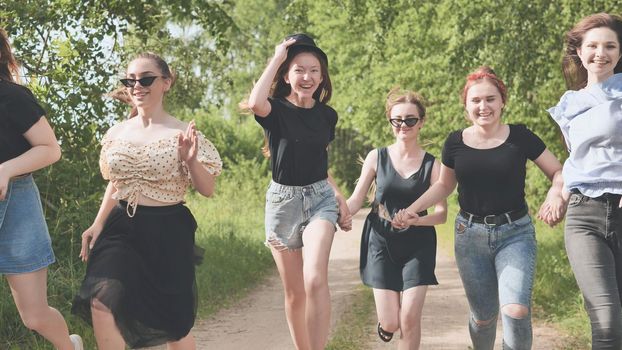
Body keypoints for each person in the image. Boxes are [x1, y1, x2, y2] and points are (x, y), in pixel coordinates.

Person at [392, 66, 565, 350]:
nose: (483, 106)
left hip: (515, 233)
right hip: (469, 235)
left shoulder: (520, 137)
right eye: (476, 101)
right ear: (466, 105)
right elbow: (444, 186)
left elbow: (557, 171)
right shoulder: (455, 142)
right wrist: (414, 209)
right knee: (484, 318)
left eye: (490, 99)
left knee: (516, 310)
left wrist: (556, 195)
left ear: (502, 102)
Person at [71, 52, 222, 350]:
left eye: (146, 79)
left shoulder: (182, 133)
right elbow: (117, 183)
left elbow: (207, 189)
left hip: (167, 230)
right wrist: (98, 223)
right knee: (102, 301)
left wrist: (191, 161)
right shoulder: (116, 133)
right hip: (120, 228)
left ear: (166, 82)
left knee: (173, 326)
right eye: (131, 80)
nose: (137, 86)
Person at [247, 33, 352, 350]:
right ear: (287, 75)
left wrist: (338, 196)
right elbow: (254, 102)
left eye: (314, 71)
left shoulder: (327, 115)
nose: (307, 77)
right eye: (299, 69)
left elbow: (319, 160)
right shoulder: (275, 110)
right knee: (294, 292)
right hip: (282, 204)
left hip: (320, 198)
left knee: (315, 277)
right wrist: (278, 55)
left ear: (322, 77)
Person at [0, 28, 83, 350]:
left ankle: (69, 346)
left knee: (34, 316)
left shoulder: (12, 97)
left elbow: (50, 148)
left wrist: (6, 168)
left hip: (16, 204)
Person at [346, 88, 447, 349]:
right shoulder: (376, 157)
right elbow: (356, 200)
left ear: (421, 122)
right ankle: (386, 325)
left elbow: (441, 214)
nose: (404, 125)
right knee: (392, 322)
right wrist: (336, 211)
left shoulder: (433, 166)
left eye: (410, 120)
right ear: (391, 121)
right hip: (380, 240)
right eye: (397, 120)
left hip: (419, 243)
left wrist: (416, 220)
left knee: (410, 317)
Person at [547, 13, 622, 349]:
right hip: (583, 215)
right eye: (592, 45)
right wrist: (559, 191)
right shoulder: (570, 104)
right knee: (606, 320)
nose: (600, 53)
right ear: (579, 50)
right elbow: (580, 157)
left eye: (610, 45)